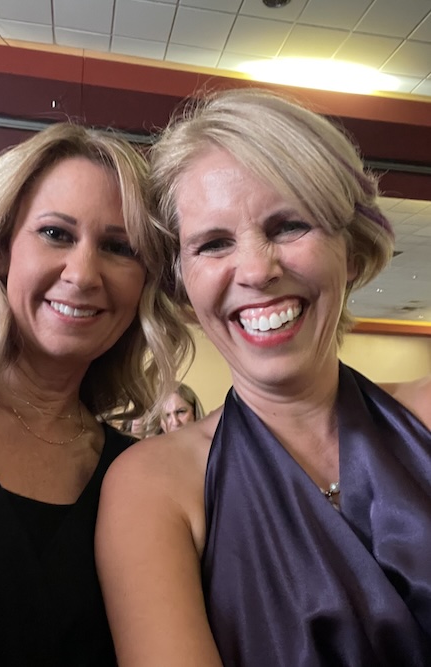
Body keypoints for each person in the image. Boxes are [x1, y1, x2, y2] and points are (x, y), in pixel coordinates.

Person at [95, 88, 431, 666]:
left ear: (350, 252)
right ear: (183, 285)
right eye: (214, 243)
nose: (256, 270)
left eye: (288, 226)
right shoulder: (153, 487)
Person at [0, 122, 190, 666]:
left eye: (119, 247)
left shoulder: (136, 476)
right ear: (0, 250)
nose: (84, 273)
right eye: (56, 233)